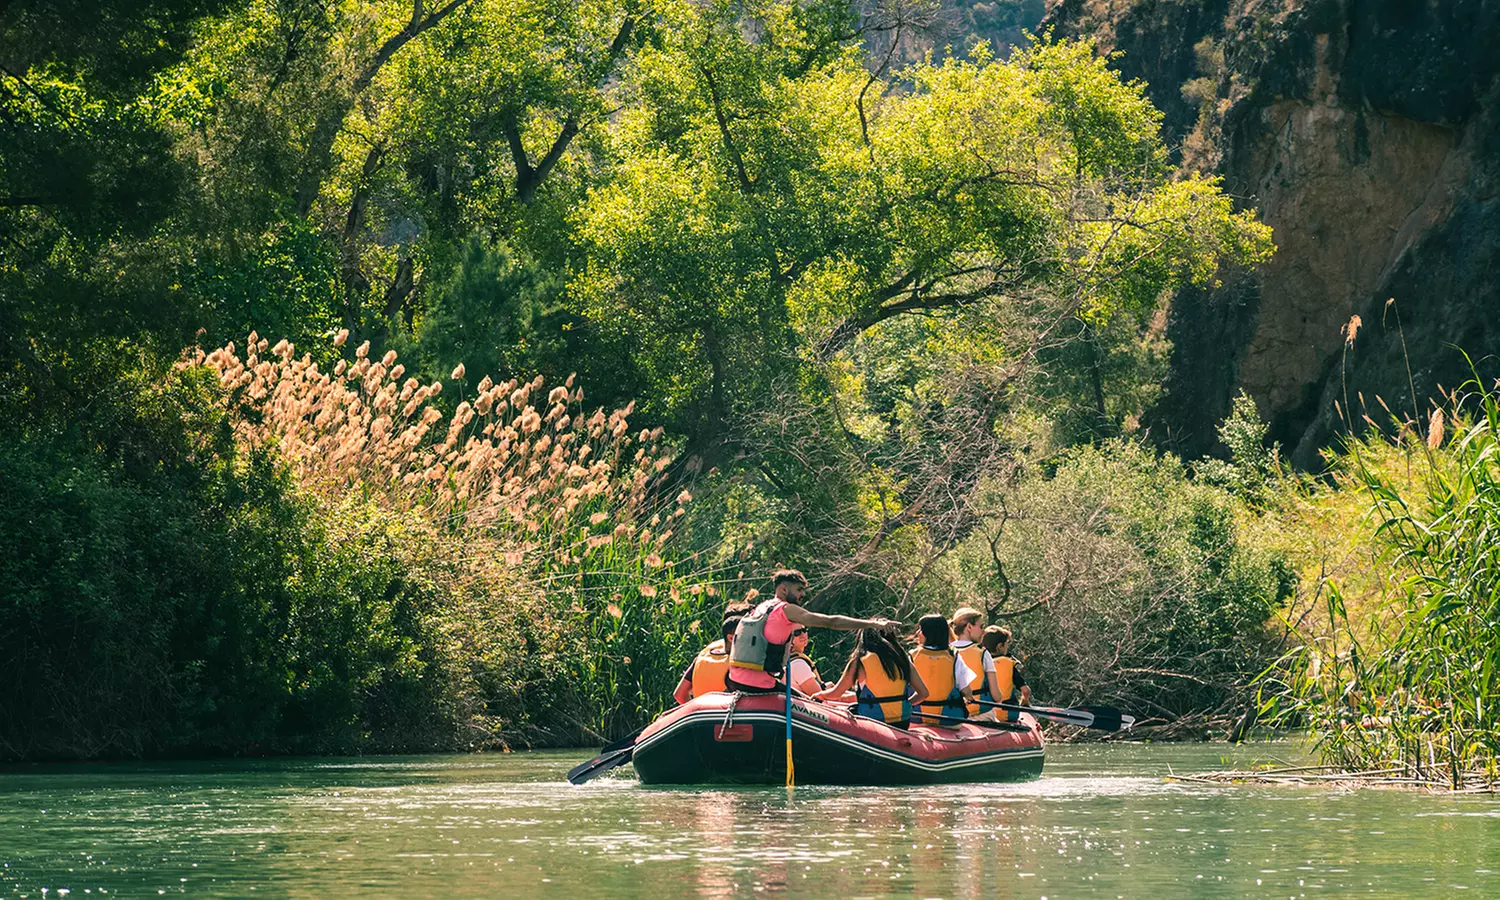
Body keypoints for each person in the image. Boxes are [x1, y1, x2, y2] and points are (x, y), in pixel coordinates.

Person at [726, 569, 902, 694]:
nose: (803, 595)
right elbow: (830, 622)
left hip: (736, 680)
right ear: (784, 589)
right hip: (760, 685)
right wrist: (873, 624)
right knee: (809, 703)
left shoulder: (762, 608)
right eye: (799, 590)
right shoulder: (785, 610)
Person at [814, 629, 928, 729]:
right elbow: (923, 693)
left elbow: (836, 693)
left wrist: (821, 695)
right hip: (902, 722)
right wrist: (906, 704)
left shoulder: (859, 662)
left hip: (873, 721)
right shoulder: (903, 660)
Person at [673, 602, 751, 705]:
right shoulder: (749, 659)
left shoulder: (705, 654)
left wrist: (698, 712)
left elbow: (679, 694)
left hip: (703, 716)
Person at [909, 613, 974, 724]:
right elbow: (967, 692)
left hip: (916, 719)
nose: (917, 633)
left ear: (929, 633)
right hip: (949, 720)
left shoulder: (911, 656)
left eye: (921, 630)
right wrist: (969, 698)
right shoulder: (954, 656)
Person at [950, 606, 1003, 722]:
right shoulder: (983, 654)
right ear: (969, 627)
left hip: (954, 714)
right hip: (980, 715)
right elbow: (997, 697)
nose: (983, 631)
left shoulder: (946, 653)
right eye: (981, 626)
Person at [981, 624, 1031, 722]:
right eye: (1007, 643)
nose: (1008, 645)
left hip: (986, 713)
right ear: (1000, 646)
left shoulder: (980, 662)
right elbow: (1026, 691)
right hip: (1008, 714)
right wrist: (1025, 702)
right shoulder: (1008, 664)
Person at [787, 625, 824, 695]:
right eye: (797, 633)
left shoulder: (787, 660)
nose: (803, 635)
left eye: (804, 630)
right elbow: (819, 696)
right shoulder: (798, 665)